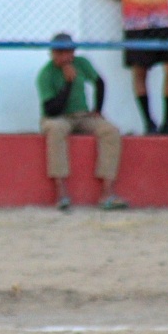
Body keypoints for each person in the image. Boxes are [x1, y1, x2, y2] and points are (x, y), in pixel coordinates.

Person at [37, 33, 127, 211]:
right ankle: (61, 190)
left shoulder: (82, 63)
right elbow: (52, 109)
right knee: (55, 130)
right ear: (53, 53)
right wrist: (68, 83)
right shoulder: (45, 74)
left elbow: (99, 82)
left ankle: (107, 192)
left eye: (69, 52)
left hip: (83, 115)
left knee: (111, 131)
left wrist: (98, 110)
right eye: (60, 53)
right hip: (57, 117)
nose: (65, 57)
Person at [102, 0, 168, 134]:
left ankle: (167, 122)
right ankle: (149, 122)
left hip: (162, 20)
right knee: (140, 71)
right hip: (135, 22)